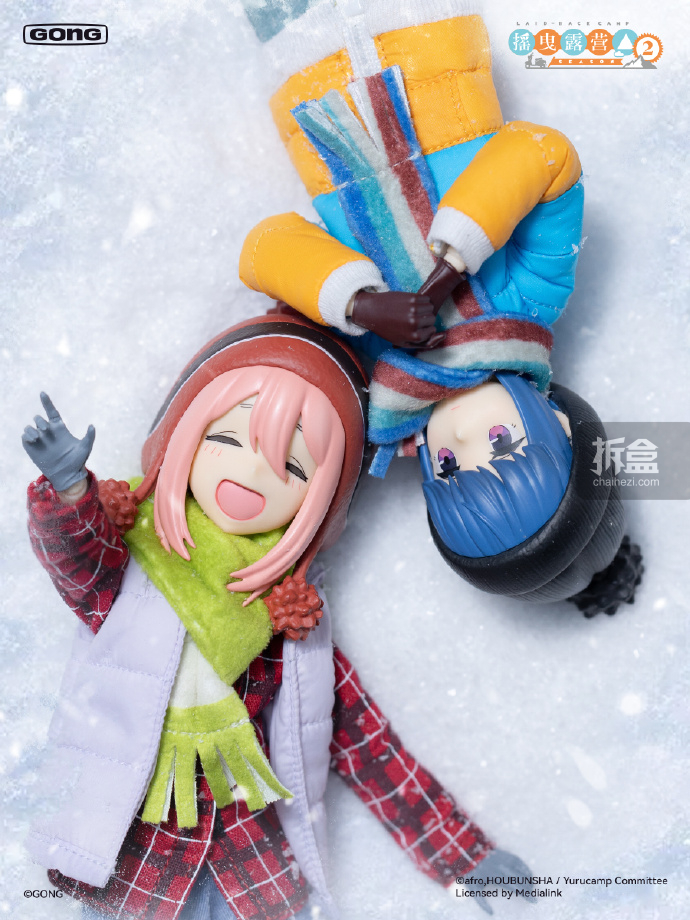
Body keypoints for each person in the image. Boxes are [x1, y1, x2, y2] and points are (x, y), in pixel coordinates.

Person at [22, 315, 530, 919]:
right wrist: (70, 490)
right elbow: (78, 561)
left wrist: (463, 857)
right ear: (184, 435)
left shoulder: (292, 623)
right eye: (228, 439)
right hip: (137, 859)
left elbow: (366, 745)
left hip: (252, 873)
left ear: (321, 502)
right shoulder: (131, 565)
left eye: (294, 468)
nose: (251, 474)